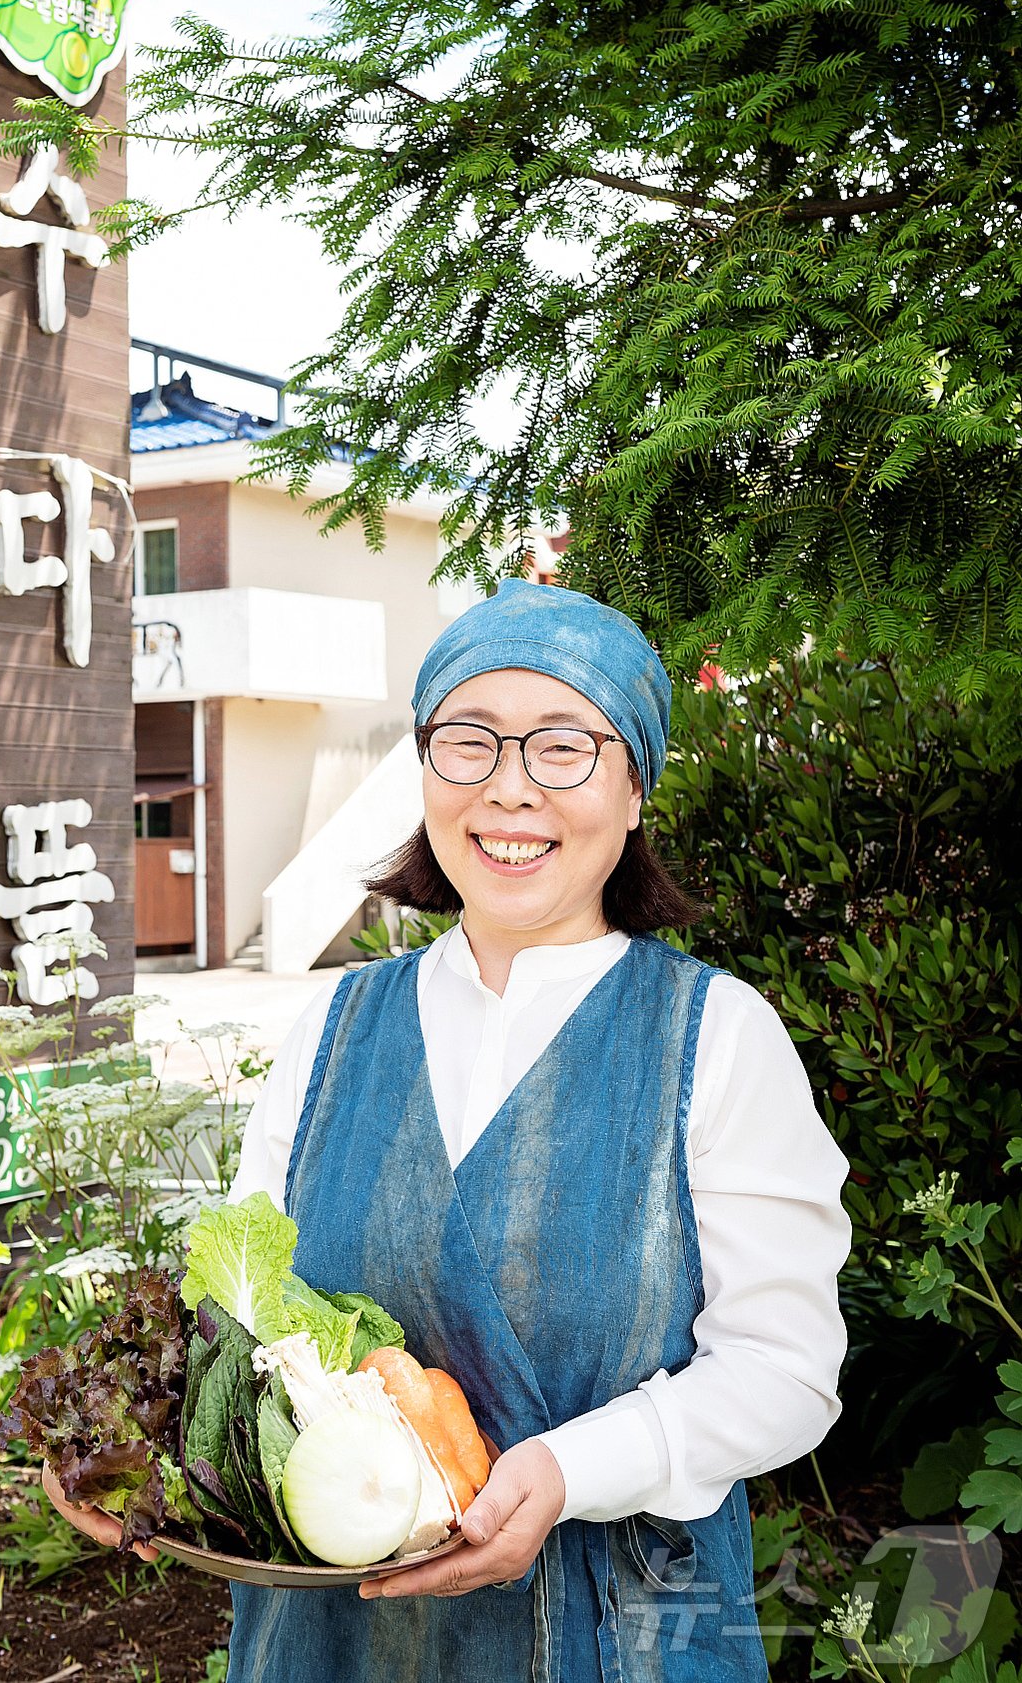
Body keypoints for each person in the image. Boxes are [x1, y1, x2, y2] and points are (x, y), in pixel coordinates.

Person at [48, 578, 851, 1681]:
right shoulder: (332, 1024)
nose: (509, 790)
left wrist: (569, 1470)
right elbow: (238, 1328)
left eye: (563, 747)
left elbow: (785, 1370)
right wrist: (140, 1463)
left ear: (633, 791)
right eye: (466, 742)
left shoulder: (712, 1037)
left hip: (618, 1636)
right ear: (424, 771)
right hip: (330, 1637)